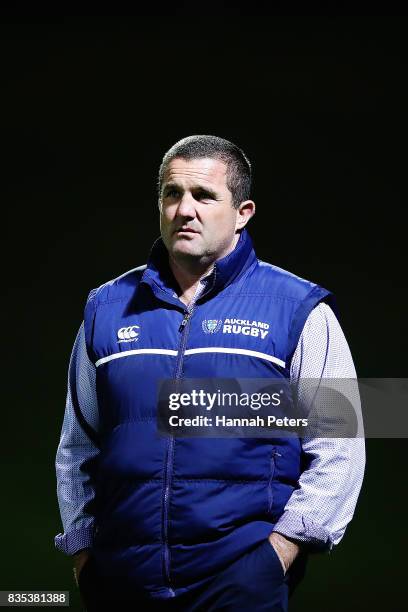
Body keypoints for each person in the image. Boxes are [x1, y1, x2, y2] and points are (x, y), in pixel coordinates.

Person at [55, 135, 365, 611]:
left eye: (204, 196)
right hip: (120, 581)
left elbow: (340, 445)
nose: (184, 209)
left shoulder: (298, 308)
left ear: (242, 213)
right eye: (172, 194)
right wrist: (83, 554)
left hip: (240, 583)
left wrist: (278, 554)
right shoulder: (106, 308)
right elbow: (78, 446)